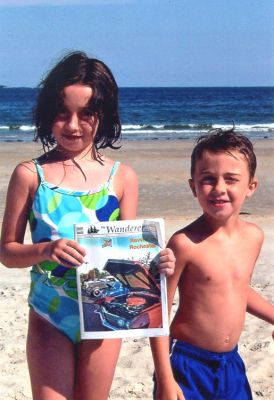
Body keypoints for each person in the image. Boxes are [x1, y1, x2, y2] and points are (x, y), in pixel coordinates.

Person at [0, 51, 175, 400]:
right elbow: (7, 251)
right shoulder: (29, 175)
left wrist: (158, 261)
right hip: (50, 314)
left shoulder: (121, 178)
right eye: (62, 113)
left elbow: (130, 257)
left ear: (104, 116)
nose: (74, 125)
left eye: (87, 114)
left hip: (105, 315)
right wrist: (45, 250)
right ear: (48, 113)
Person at [150, 128, 274, 400]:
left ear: (251, 187)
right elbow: (157, 314)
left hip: (231, 363)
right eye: (208, 179)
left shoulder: (254, 236)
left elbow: (237, 289)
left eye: (231, 179)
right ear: (193, 186)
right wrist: (165, 379)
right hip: (186, 363)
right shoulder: (184, 243)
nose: (219, 188)